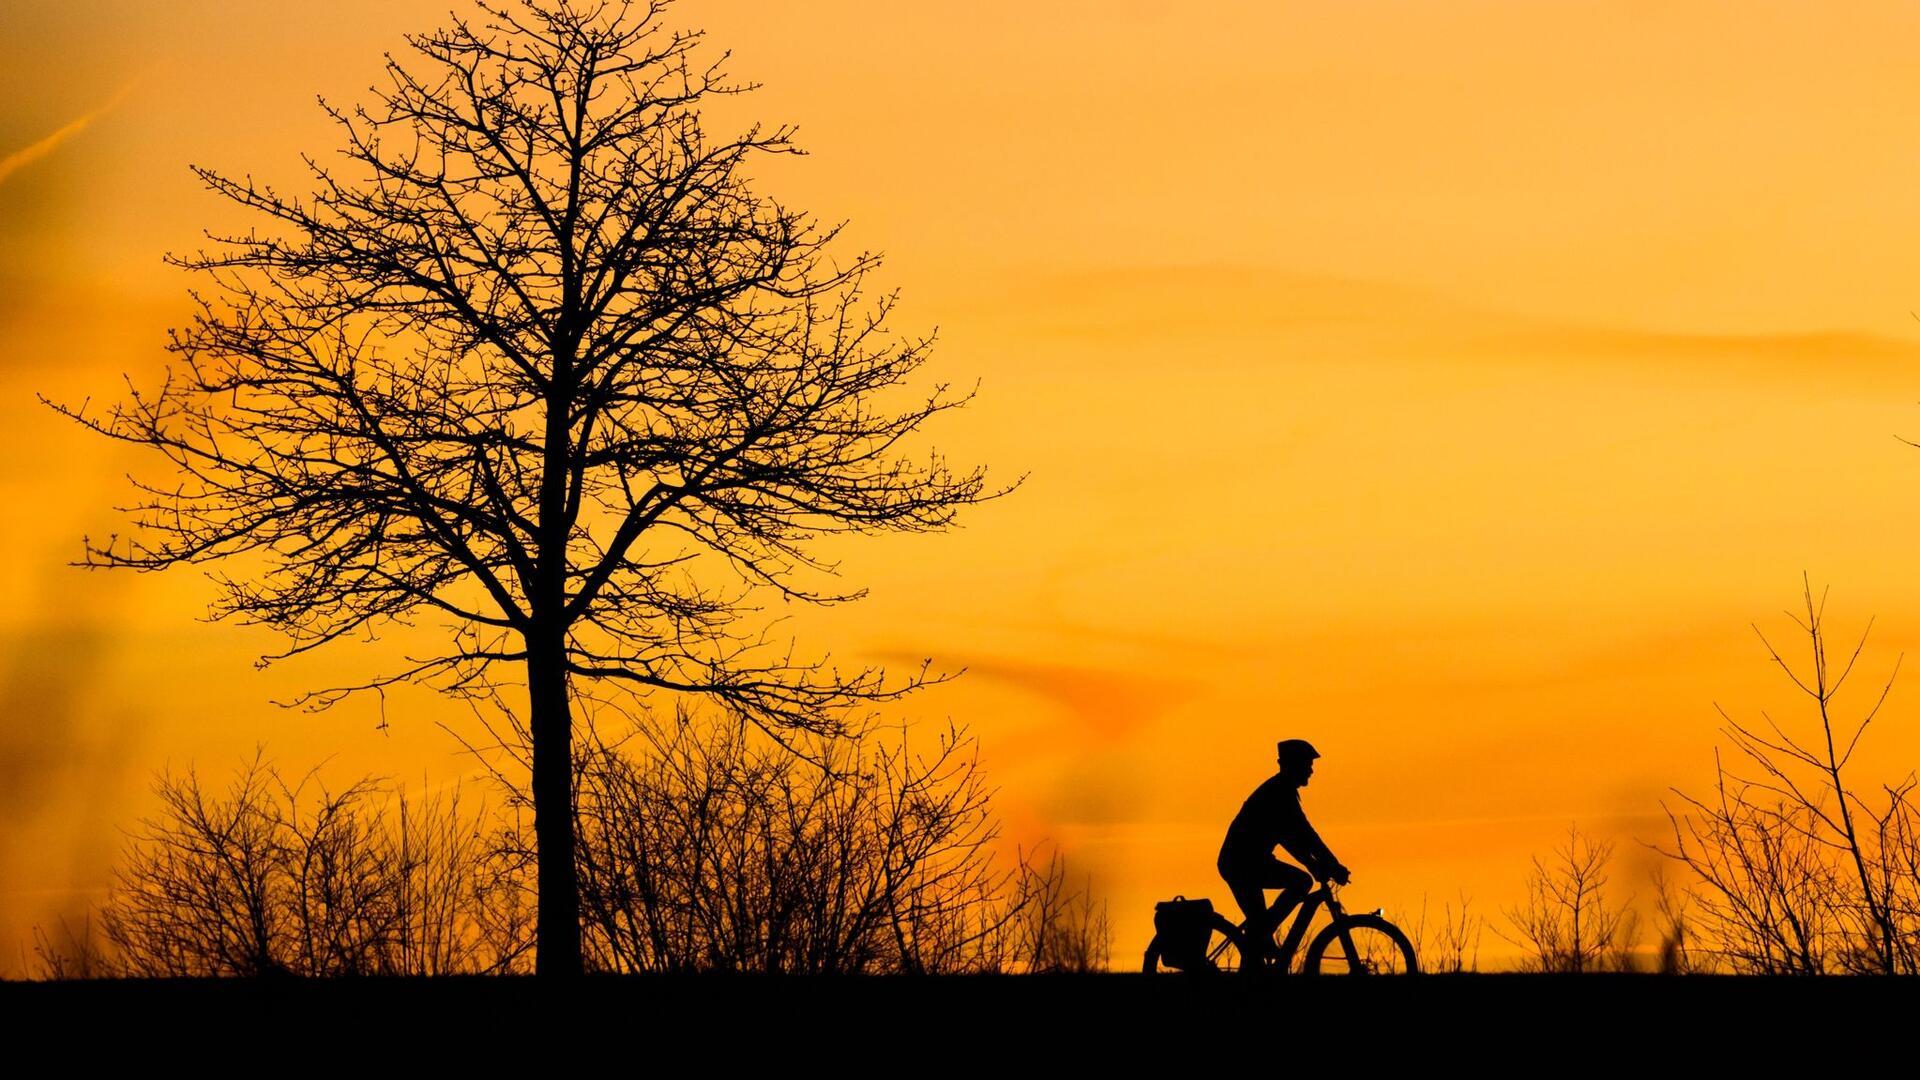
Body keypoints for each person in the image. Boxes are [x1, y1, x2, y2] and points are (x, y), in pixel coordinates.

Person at [1217, 738, 1350, 966]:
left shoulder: (1281, 790)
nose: (1311, 770)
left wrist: (1321, 864)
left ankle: (1260, 945)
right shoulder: (1279, 793)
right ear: (1290, 765)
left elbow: (1297, 836)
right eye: (1307, 764)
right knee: (1300, 883)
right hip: (1241, 864)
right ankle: (1263, 935)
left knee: (1259, 930)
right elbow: (1302, 835)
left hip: (1248, 863)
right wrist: (1328, 865)